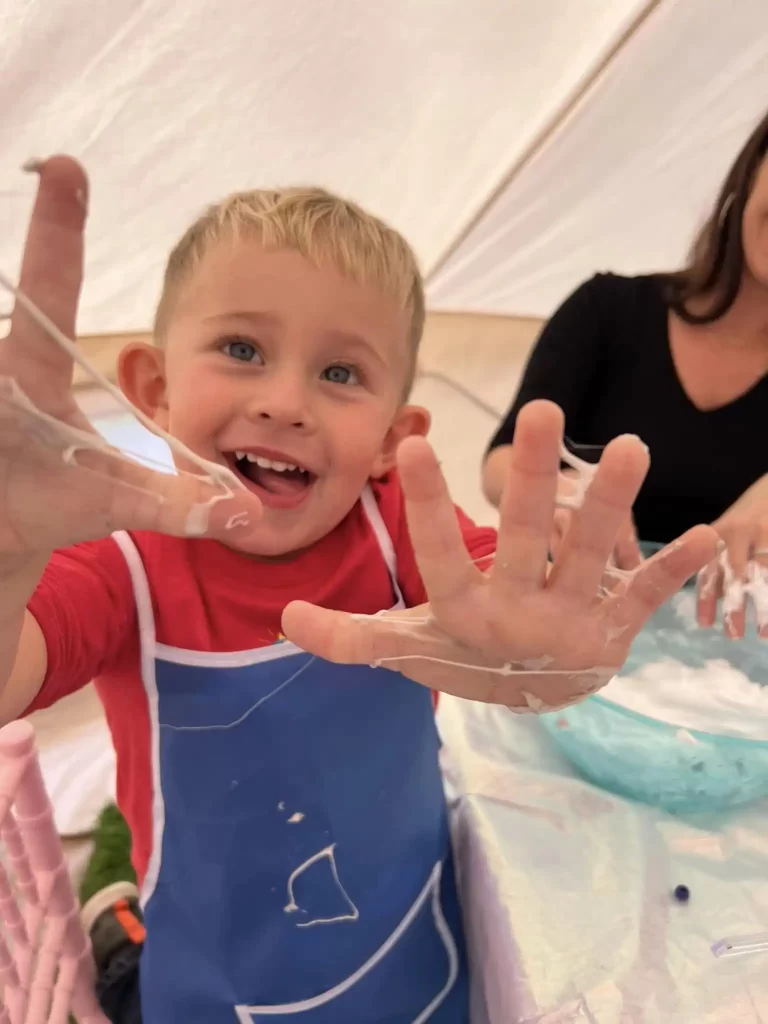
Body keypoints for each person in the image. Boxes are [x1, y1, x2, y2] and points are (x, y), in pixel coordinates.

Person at [0, 156, 715, 1023]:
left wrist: (542, 632)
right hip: (217, 980)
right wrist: (10, 555)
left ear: (390, 438)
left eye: (340, 374)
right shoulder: (120, 565)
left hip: (412, 939)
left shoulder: (395, 524)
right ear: (152, 389)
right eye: (241, 349)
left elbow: (494, 596)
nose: (284, 401)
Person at [483, 109, 768, 639]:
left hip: (714, 681)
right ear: (753, 167)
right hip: (554, 636)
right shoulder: (609, 310)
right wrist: (562, 492)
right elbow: (502, 461)